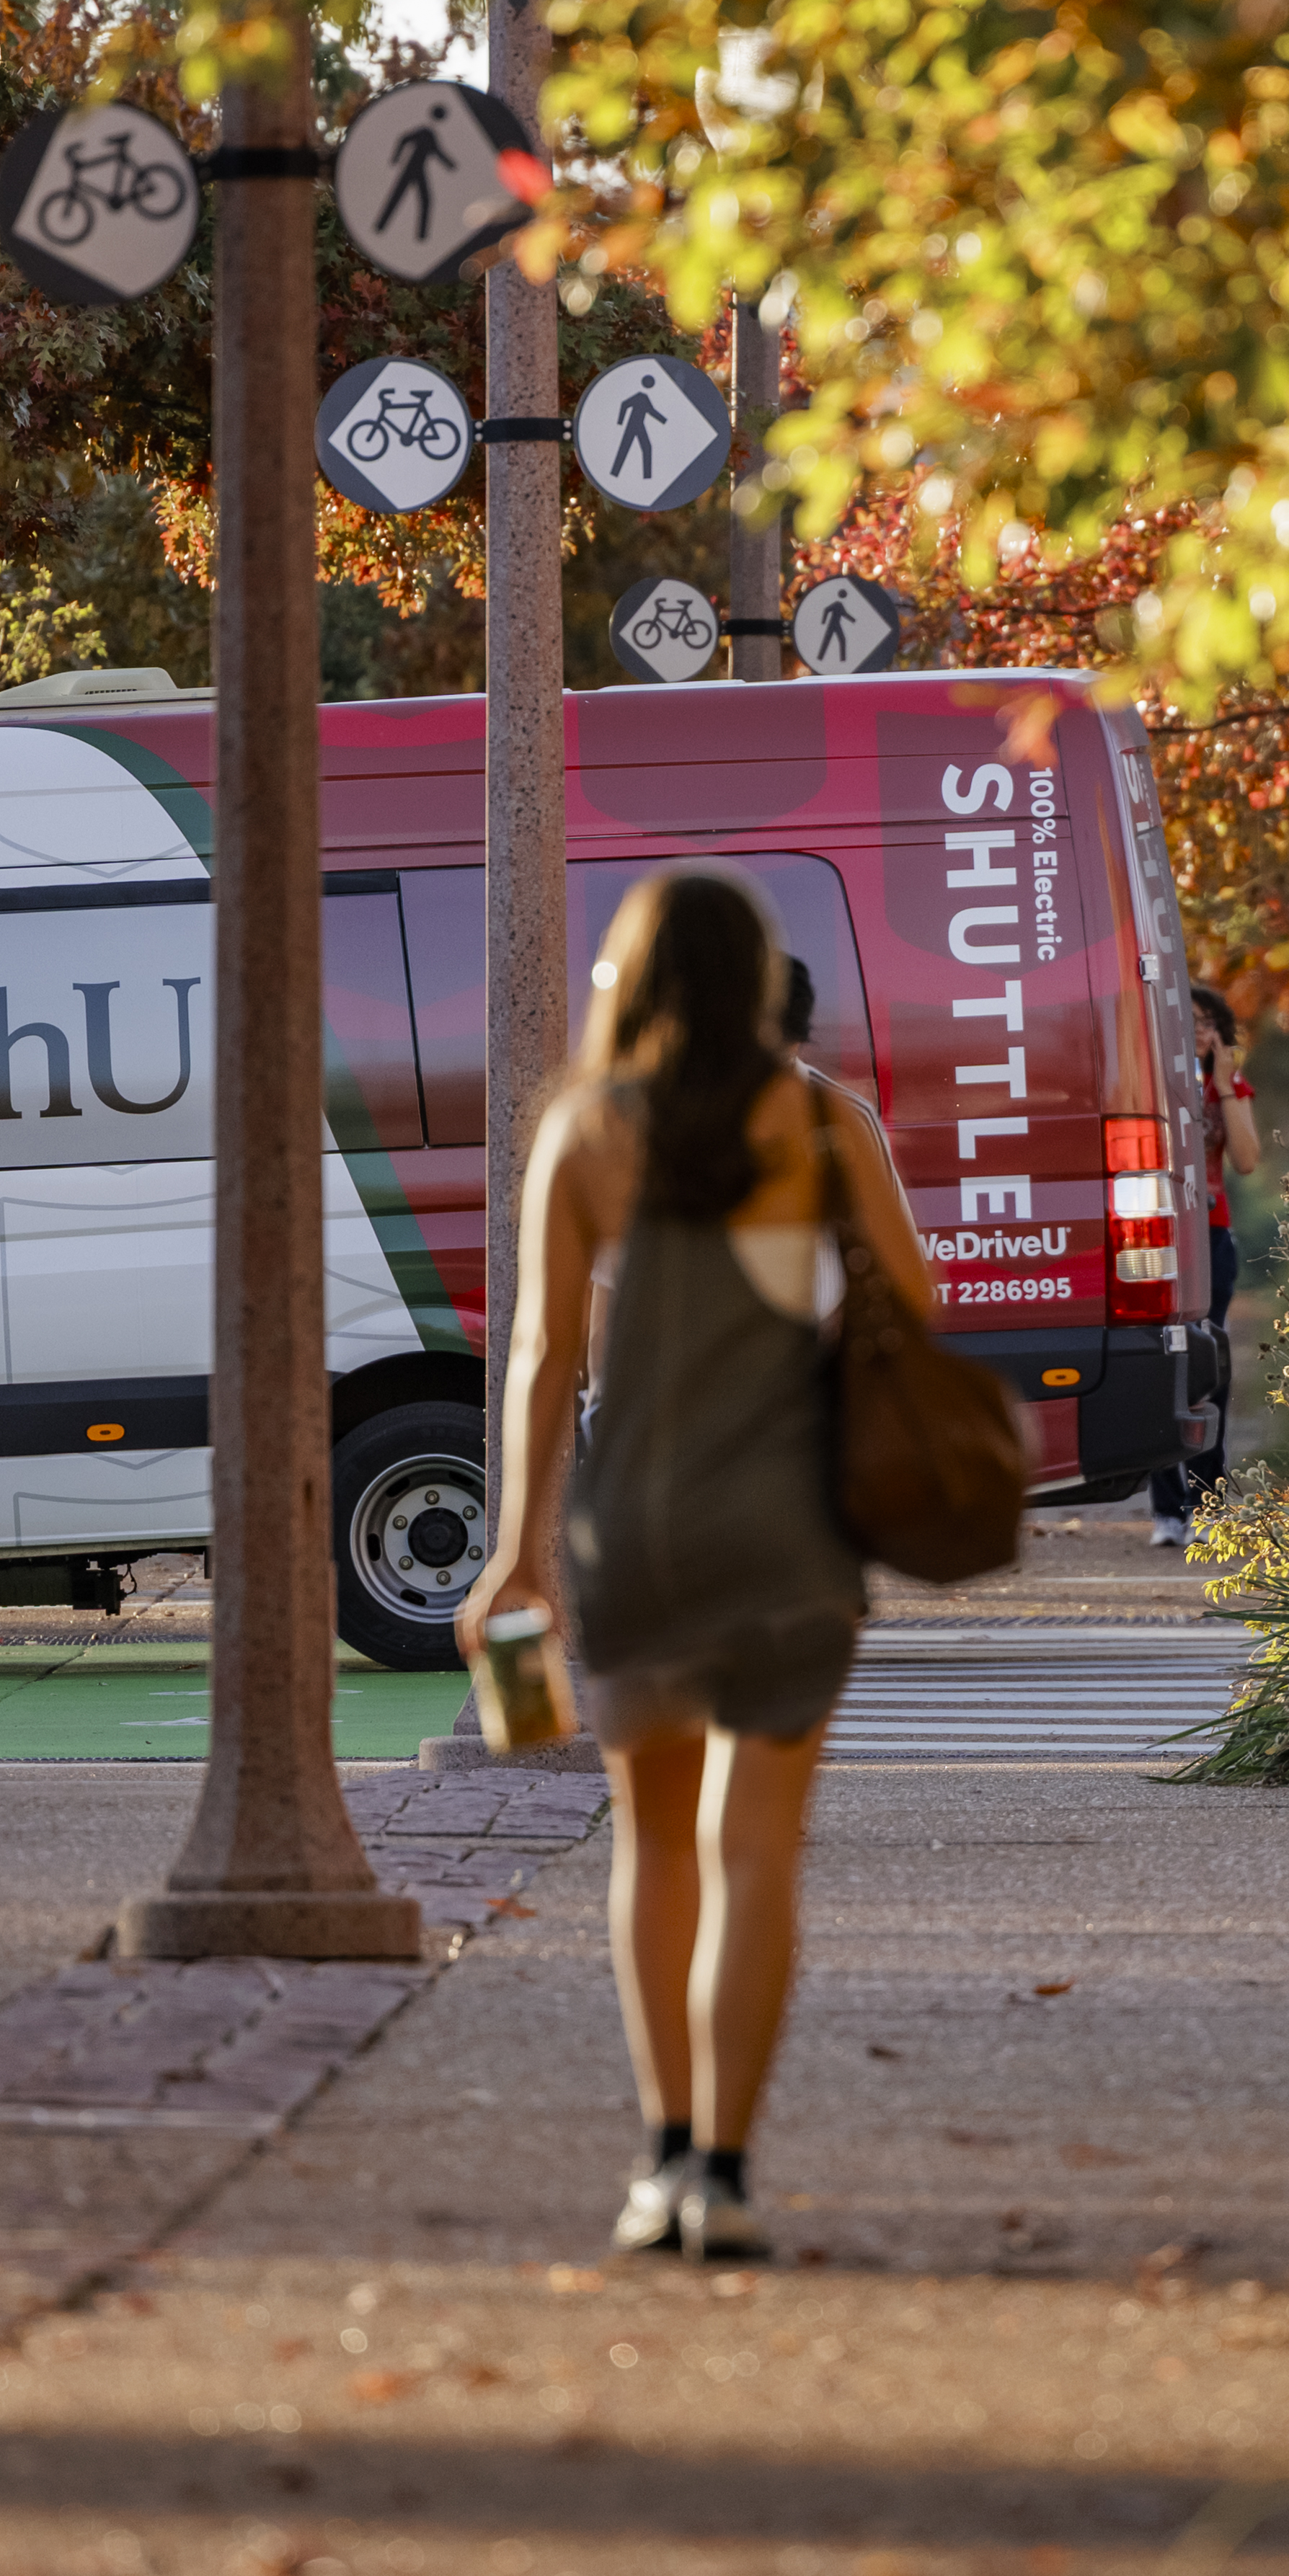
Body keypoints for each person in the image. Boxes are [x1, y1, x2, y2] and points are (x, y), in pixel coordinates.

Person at [461, 869, 936, 2264]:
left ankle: (660, 2153)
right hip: (792, 1525)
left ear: (633, 978)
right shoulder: (824, 1122)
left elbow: (546, 1359)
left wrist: (515, 1556)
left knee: (655, 1843)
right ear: (756, 980)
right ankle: (724, 2168)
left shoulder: (585, 1132)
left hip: (642, 1524)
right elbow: (910, 1307)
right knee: (758, 1850)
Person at [1147, 985, 1262, 1547]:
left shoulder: (1229, 1087)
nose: (1198, 1031)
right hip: (1152, 1234)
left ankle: (1208, 1500)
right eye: (1188, 1020)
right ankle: (1167, 1506)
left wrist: (1222, 1087)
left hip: (1210, 1235)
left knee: (1207, 1365)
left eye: (1208, 1021)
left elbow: (1246, 1159)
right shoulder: (1147, 1074)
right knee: (1152, 1361)